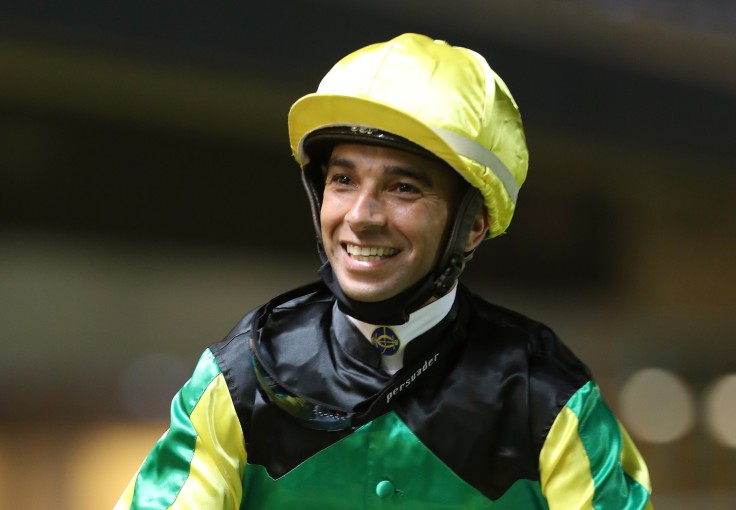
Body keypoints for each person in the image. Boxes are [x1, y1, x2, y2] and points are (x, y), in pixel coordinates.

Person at [115, 33, 653, 509]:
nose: (361, 217)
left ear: (473, 225)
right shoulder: (240, 376)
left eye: (403, 188)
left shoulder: (547, 392)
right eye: (343, 180)